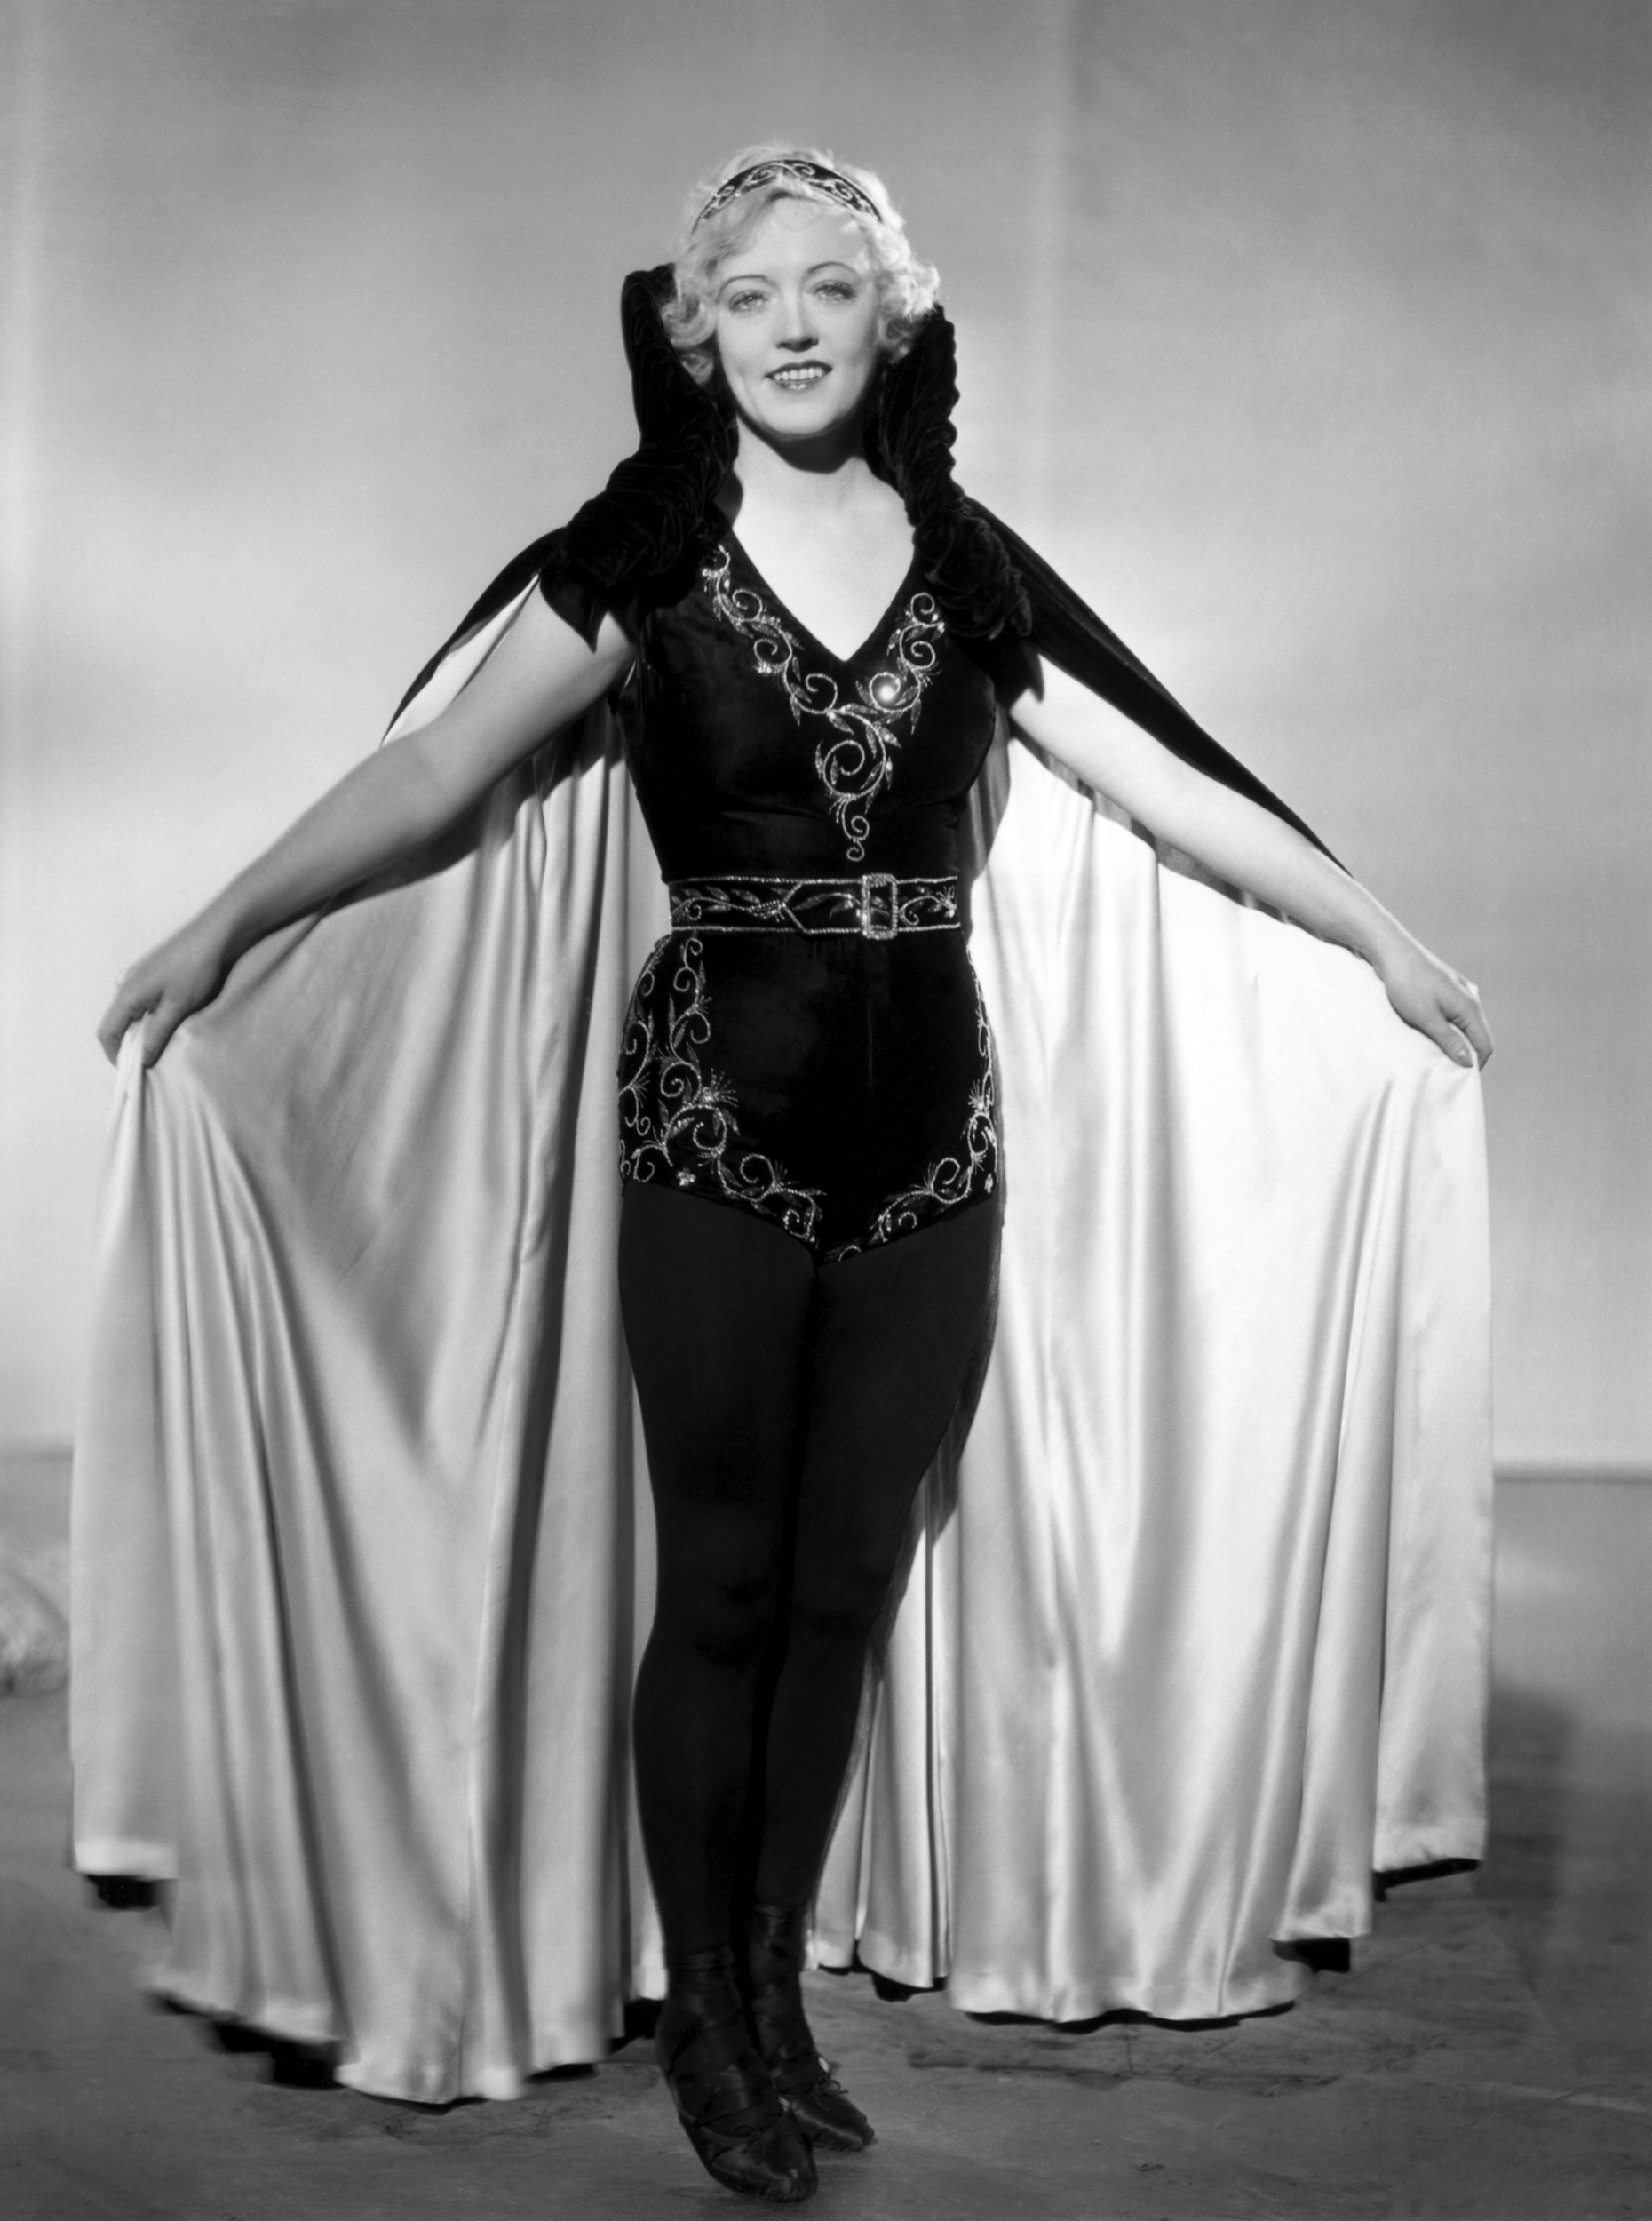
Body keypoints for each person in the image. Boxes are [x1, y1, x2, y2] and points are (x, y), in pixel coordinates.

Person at [90, 149, 1491, 2204]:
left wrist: (1380, 934)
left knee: (842, 1586)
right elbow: (435, 770)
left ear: (889, 313)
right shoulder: (642, 556)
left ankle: (768, 1985)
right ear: (695, 331)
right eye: (748, 295)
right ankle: (703, 2014)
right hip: (710, 1135)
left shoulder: (965, 562)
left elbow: (1168, 781)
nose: (793, 326)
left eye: (830, 286)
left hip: (937, 1153)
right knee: (726, 1586)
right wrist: (219, 922)